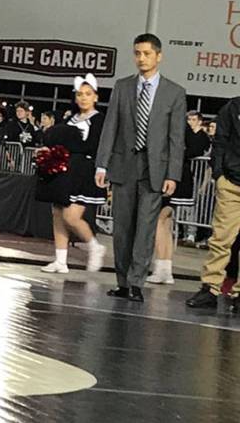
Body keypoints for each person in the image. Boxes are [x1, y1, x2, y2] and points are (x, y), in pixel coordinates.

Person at [96, 33, 186, 303]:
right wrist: (102, 164)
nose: (141, 58)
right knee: (122, 227)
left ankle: (136, 282)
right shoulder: (123, 87)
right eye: (137, 53)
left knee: (145, 227)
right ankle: (122, 282)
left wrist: (173, 174)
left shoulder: (174, 92)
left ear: (159, 56)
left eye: (147, 53)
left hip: (154, 169)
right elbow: (110, 127)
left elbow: (176, 138)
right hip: (124, 165)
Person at [36, 74, 108, 273]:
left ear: (96, 97)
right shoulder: (70, 119)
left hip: (84, 172)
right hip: (64, 170)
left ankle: (94, 246)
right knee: (57, 213)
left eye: (88, 94)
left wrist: (101, 168)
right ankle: (60, 261)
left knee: (71, 216)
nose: (83, 98)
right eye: (80, 94)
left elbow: (94, 146)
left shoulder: (100, 119)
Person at [188, 95, 240, 313]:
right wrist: (219, 174)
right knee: (220, 238)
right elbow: (220, 140)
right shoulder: (234, 106)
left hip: (230, 177)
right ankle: (210, 288)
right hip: (231, 181)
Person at [148, 111, 211, 285]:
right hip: (177, 176)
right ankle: (165, 269)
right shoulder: (180, 126)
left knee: (159, 220)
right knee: (165, 222)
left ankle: (161, 268)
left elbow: (197, 147)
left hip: (171, 176)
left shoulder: (174, 125)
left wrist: (173, 157)